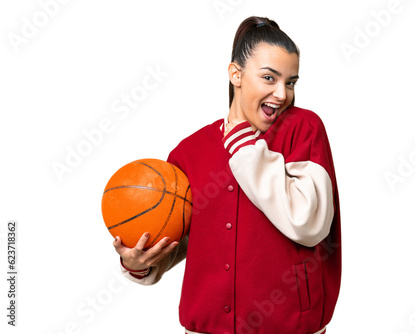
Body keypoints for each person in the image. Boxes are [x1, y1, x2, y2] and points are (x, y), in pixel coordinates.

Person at [113, 16, 341, 334]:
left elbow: (308, 223)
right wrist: (139, 264)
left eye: (290, 82)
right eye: (269, 78)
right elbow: (181, 242)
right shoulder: (189, 152)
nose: (282, 94)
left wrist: (245, 148)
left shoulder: (303, 128)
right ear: (236, 74)